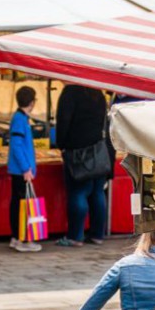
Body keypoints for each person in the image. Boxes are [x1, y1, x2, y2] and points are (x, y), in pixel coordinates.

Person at [53, 83, 111, 248]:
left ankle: (75, 236)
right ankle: (97, 235)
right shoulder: (97, 92)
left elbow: (63, 121)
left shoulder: (70, 92)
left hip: (77, 152)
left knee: (78, 192)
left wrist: (61, 144)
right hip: (98, 151)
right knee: (97, 193)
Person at [6, 85, 43, 254]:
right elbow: (17, 146)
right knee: (23, 206)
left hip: (18, 170)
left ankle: (16, 237)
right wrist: (26, 168)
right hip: (22, 170)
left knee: (17, 203)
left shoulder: (20, 118)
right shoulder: (20, 120)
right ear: (31, 102)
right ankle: (23, 238)